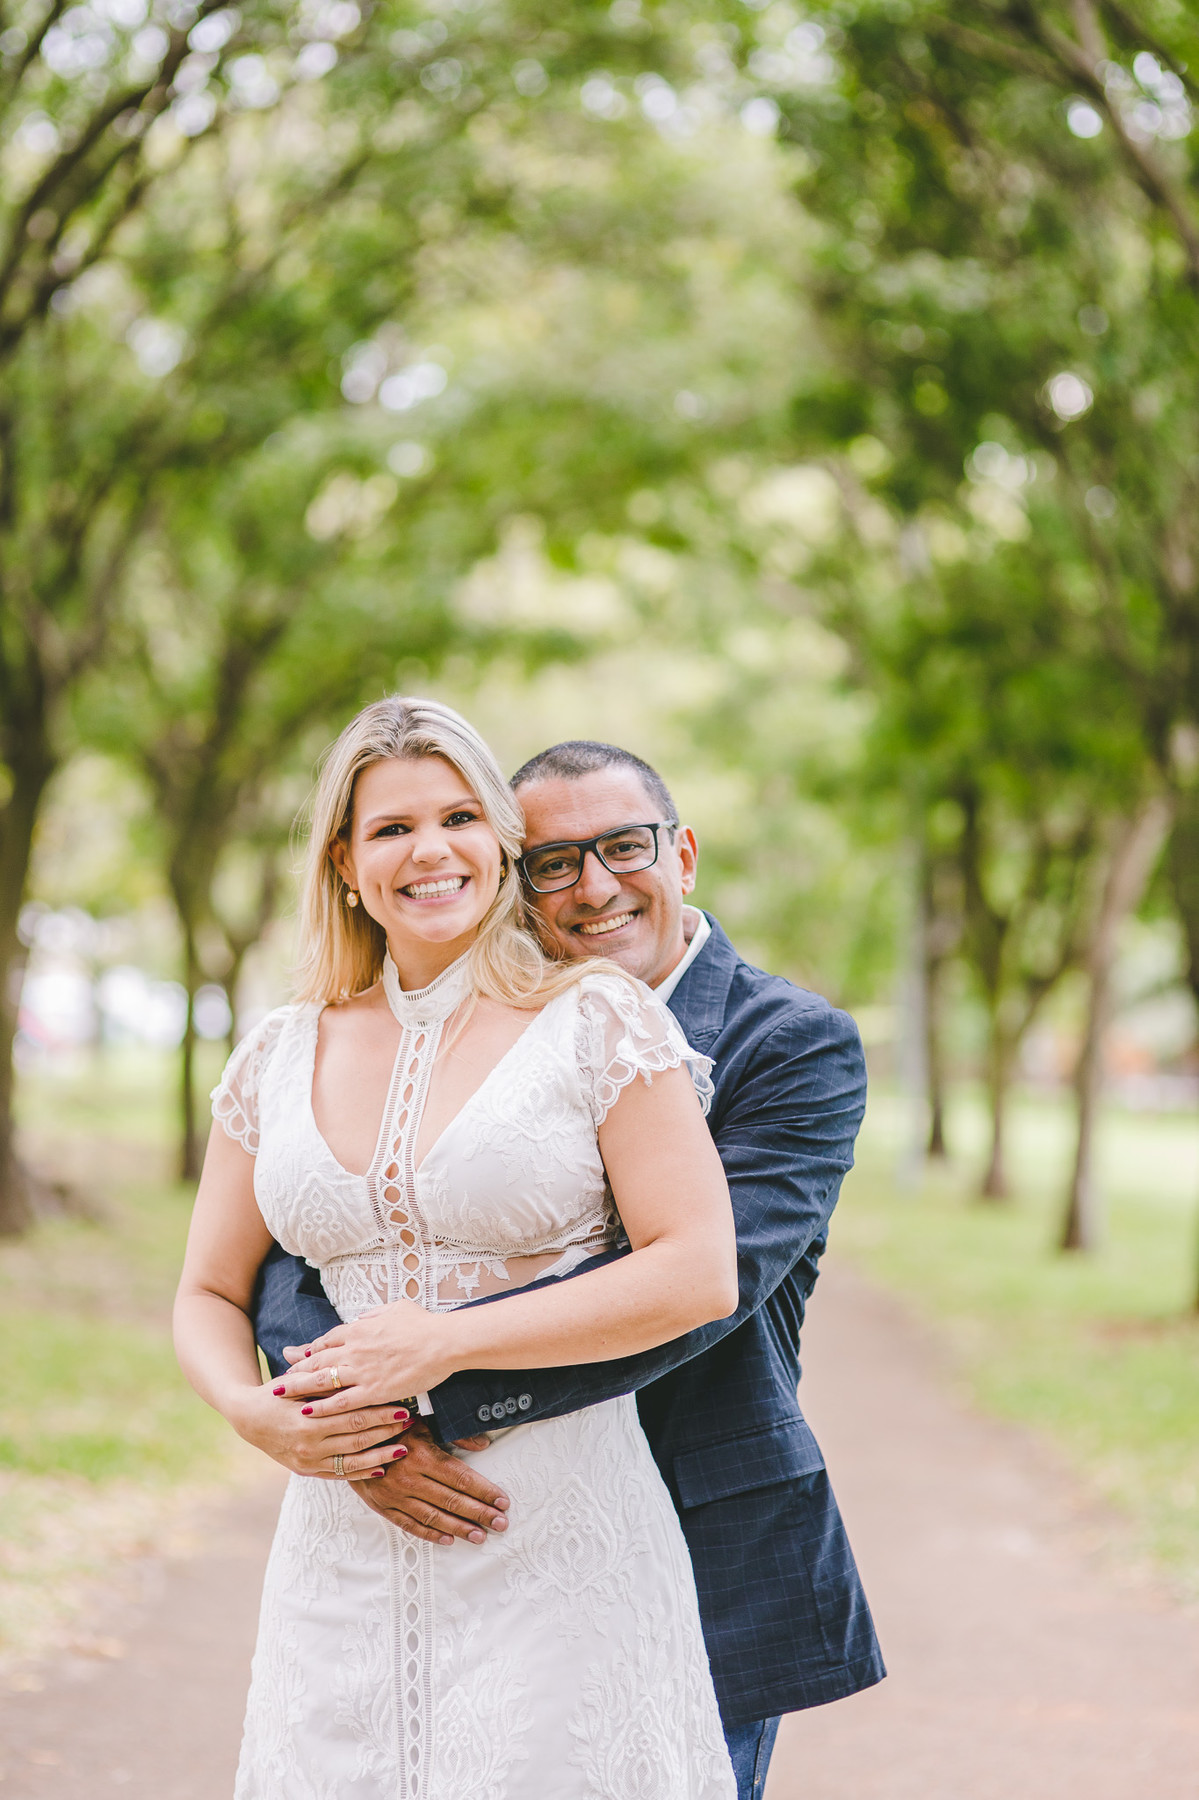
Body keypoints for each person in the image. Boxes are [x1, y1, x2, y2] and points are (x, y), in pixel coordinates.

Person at [257, 737, 887, 1800]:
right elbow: (317, 1238)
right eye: (552, 862)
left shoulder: (789, 1043)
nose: (593, 888)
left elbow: (702, 1290)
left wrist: (431, 1400)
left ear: (681, 854)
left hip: (695, 1523)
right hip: (455, 1526)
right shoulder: (477, 1031)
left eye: (624, 848)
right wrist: (348, 1420)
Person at [173, 698, 742, 1800]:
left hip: (557, 1537)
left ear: (499, 843)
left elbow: (695, 1269)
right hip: (335, 1542)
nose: (428, 851)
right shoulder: (278, 1051)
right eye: (390, 829)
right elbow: (206, 1286)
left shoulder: (599, 1023)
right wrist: (248, 1412)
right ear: (344, 862)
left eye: (459, 818)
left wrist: (440, 1345)